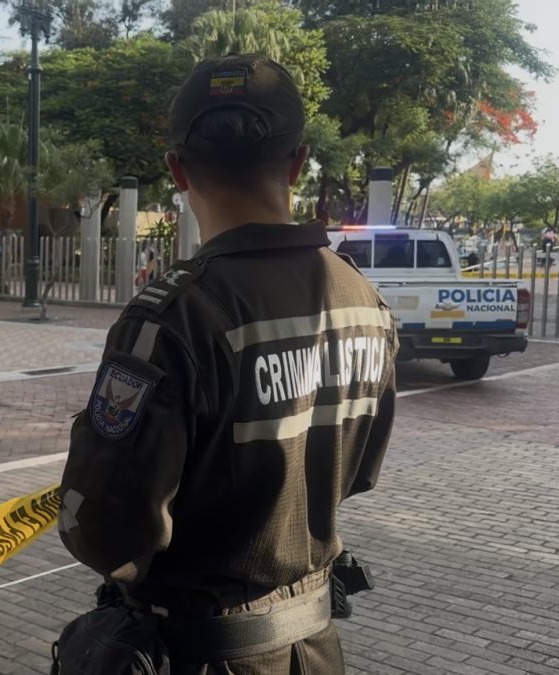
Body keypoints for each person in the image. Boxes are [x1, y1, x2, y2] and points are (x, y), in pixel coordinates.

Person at [56, 54, 398, 675]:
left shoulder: (176, 316)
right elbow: (359, 473)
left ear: (177, 171)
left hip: (196, 653)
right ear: (297, 162)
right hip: (312, 649)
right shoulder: (363, 301)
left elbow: (104, 528)